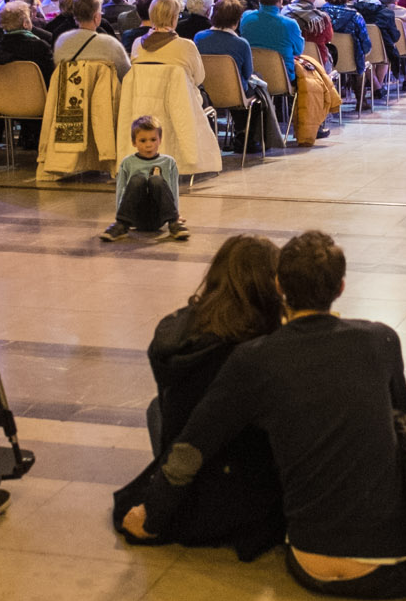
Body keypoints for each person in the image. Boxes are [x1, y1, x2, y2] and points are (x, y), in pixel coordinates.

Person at [122, 231, 406, 600]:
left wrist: (152, 518)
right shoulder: (381, 339)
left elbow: (190, 448)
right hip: (399, 566)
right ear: (342, 287)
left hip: (309, 562)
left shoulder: (256, 358)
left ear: (280, 285)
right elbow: (402, 423)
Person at [112, 235, 287, 557]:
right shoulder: (256, 348)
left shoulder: (182, 331)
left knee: (157, 408)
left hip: (185, 470)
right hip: (231, 484)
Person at [101, 116, 189, 241]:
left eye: (153, 139)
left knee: (156, 180)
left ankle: (174, 225)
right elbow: (121, 190)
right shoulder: (127, 163)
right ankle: (121, 226)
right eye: (143, 141)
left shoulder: (169, 162)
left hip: (159, 216)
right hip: (135, 217)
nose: (148, 145)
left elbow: (173, 190)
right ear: (134, 142)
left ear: (160, 140)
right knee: (138, 179)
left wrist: (176, 214)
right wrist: (119, 216)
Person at [57, 0, 133, 81]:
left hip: (71, 92)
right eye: (100, 13)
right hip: (102, 93)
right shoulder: (109, 43)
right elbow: (126, 74)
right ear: (96, 17)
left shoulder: (61, 40)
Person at [240, 0, 305, 84]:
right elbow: (299, 50)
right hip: (283, 80)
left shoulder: (246, 18)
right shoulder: (290, 24)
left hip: (253, 76)